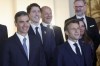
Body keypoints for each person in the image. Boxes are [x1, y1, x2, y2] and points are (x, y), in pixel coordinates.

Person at [65, 0, 100, 65]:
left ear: (85, 6)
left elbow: (97, 38)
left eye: (80, 6)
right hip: (75, 58)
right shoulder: (68, 21)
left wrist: (90, 49)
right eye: (76, 6)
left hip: (91, 57)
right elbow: (68, 39)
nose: (78, 9)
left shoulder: (92, 20)